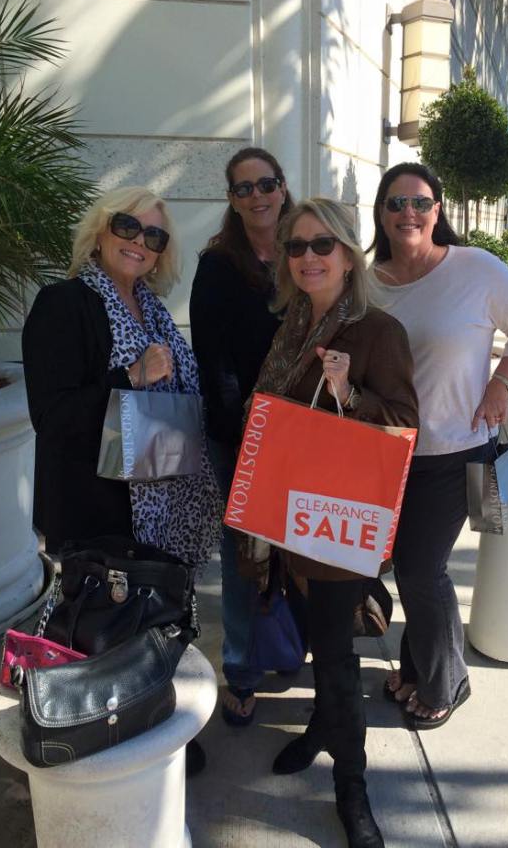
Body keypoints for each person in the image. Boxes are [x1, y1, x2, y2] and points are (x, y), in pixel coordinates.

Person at [22, 185, 222, 773]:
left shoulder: (155, 310)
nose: (139, 242)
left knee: (155, 624)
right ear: (100, 230)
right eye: (127, 227)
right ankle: (109, 735)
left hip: (166, 499)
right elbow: (52, 415)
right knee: (108, 634)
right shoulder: (65, 303)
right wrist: (129, 375)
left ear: (162, 253)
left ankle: (153, 717)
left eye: (153, 236)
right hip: (99, 508)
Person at [249, 198, 418, 848]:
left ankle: (353, 787)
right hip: (288, 516)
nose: (309, 257)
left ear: (348, 253)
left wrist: (350, 394)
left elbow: (404, 424)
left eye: (323, 245)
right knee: (317, 639)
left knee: (339, 657)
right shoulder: (293, 320)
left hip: (339, 520)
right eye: (297, 246)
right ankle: (321, 728)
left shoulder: (377, 331)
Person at [368, 162, 508, 729]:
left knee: (423, 572)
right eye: (396, 203)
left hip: (454, 449)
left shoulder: (473, 268)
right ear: (381, 213)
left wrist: (501, 382)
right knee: (404, 569)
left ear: (437, 211)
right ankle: (419, 666)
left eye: (420, 202)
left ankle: (447, 681)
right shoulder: (368, 281)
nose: (408, 213)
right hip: (386, 452)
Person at [189, 147, 294, 726]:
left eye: (266, 184)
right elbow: (213, 358)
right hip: (244, 433)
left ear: (283, 187)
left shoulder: (306, 247)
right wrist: (243, 427)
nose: (257, 196)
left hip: (305, 430)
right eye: (243, 188)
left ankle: (284, 643)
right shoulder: (219, 264)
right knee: (242, 555)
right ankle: (242, 668)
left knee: (296, 545)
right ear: (231, 198)